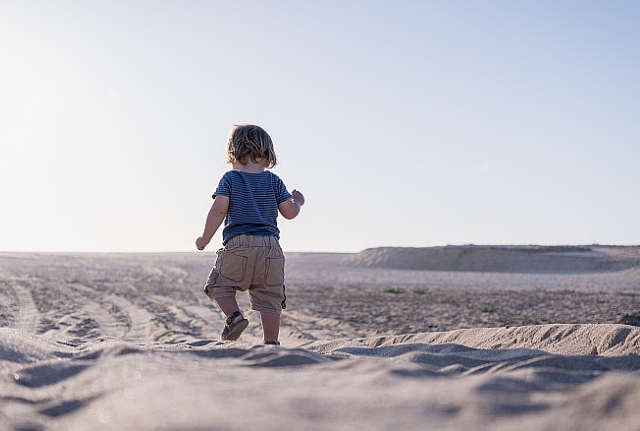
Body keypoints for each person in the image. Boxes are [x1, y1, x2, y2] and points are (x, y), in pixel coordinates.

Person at [196, 124, 304, 345]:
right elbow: (289, 212)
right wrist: (298, 202)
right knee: (270, 296)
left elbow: (219, 209)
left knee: (219, 285)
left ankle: (234, 317)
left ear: (233, 152)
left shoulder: (230, 179)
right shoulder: (274, 181)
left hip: (239, 245)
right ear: (267, 155)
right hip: (271, 248)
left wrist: (204, 239)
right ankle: (271, 342)